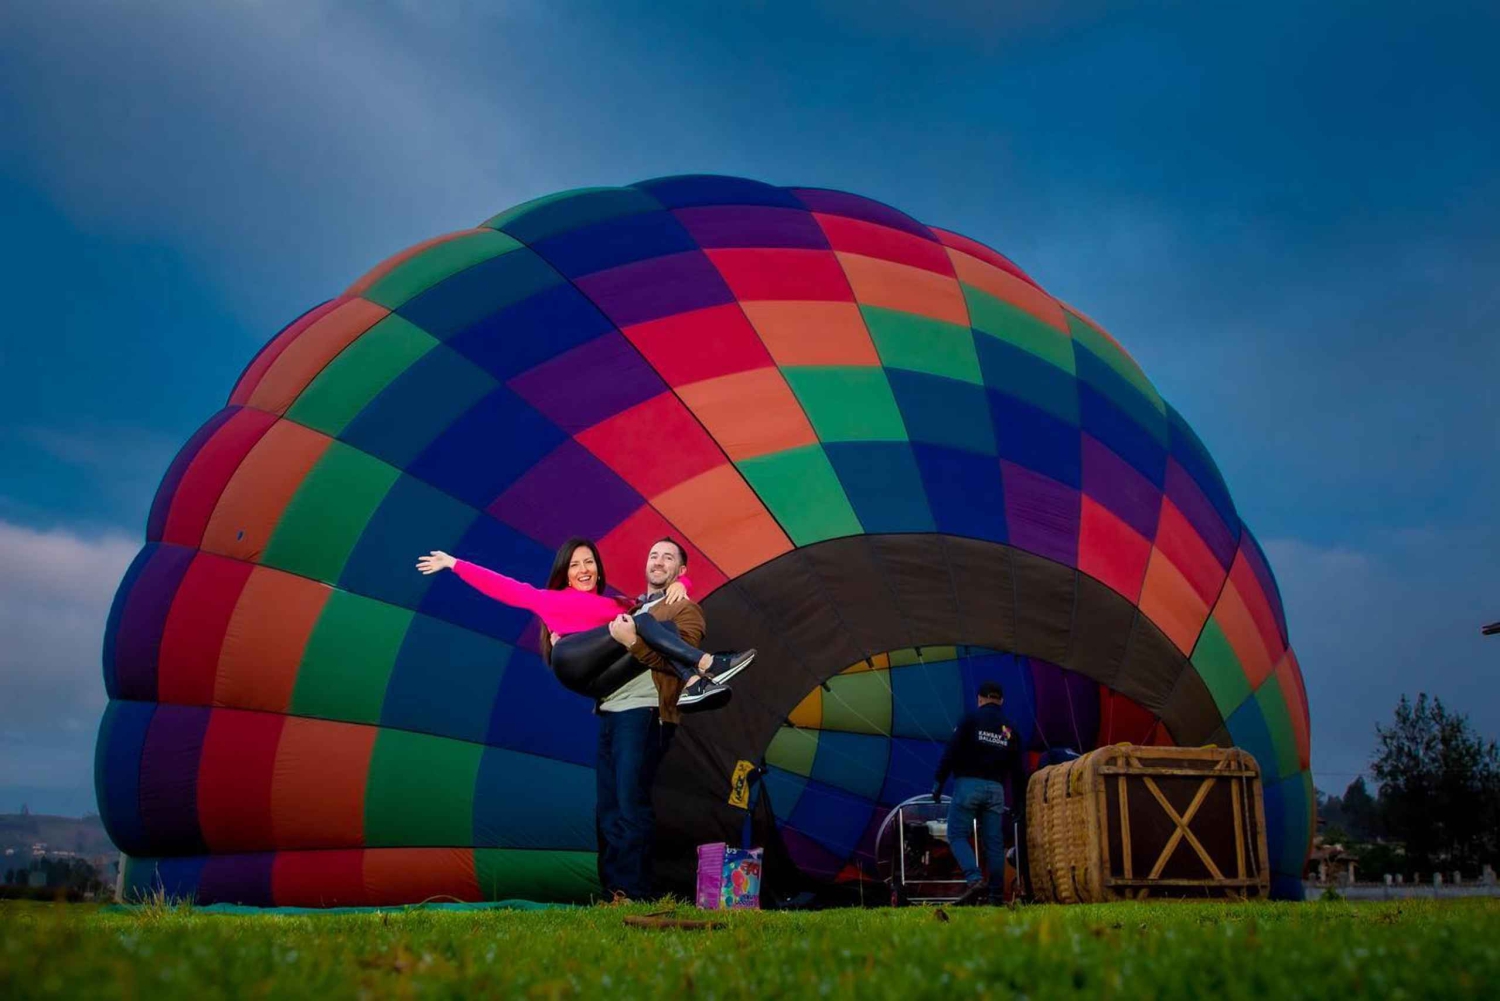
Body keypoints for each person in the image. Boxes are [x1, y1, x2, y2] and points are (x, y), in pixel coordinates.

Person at [415, 539, 753, 712]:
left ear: (597, 568)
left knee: (653, 625)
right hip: (571, 660)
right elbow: (505, 587)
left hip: (599, 680)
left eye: (589, 562)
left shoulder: (614, 605)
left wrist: (684, 585)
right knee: (642, 621)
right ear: (567, 570)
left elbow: (653, 605)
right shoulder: (550, 598)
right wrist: (454, 564)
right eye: (575, 564)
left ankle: (693, 683)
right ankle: (707, 664)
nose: (583, 569)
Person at [589, 536, 707, 900]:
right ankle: (611, 892)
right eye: (653, 554)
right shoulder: (628, 607)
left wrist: (633, 642)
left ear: (680, 570)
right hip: (610, 711)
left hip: (645, 712)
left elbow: (680, 663)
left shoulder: (686, 610)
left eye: (668, 557)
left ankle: (634, 891)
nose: (658, 561)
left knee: (630, 803)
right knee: (607, 811)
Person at [931, 680, 1023, 905]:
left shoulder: (970, 721)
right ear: (1001, 700)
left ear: (980, 699)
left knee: (956, 834)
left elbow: (950, 753)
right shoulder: (1009, 729)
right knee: (993, 843)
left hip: (968, 786)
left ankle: (974, 879)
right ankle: (996, 897)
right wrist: (1020, 803)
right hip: (996, 790)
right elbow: (1019, 770)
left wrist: (938, 782)